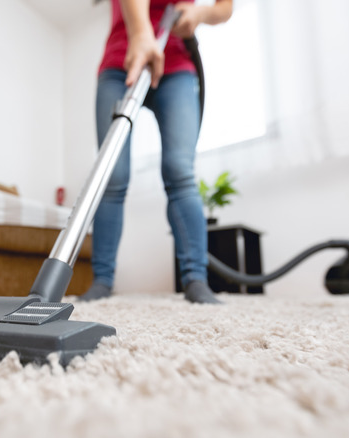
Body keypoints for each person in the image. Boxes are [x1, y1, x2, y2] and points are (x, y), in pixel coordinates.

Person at [79, 0, 233, 304]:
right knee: (112, 175)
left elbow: (225, 6)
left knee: (179, 170)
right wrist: (140, 32)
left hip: (177, 66)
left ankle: (196, 280)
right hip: (121, 62)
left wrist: (200, 13)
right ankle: (102, 281)